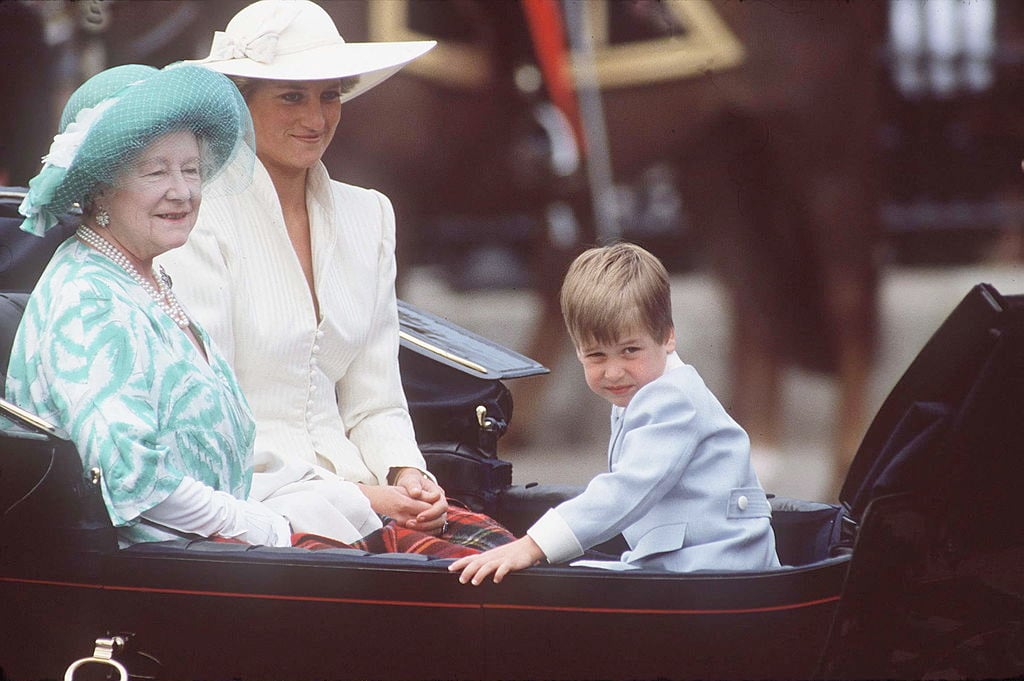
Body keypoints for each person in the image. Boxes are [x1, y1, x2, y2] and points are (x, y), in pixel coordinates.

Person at [159, 0, 512, 548]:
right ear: (238, 103)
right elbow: (213, 419)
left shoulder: (368, 215)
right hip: (255, 502)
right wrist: (369, 498)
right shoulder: (196, 217)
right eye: (292, 97)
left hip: (365, 494)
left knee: (502, 563)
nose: (316, 119)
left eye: (330, 95)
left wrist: (407, 476)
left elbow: (376, 400)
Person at [6, 63, 290, 548]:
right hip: (153, 575)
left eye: (191, 169)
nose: (181, 191)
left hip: (216, 551)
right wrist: (267, 531)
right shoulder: (88, 298)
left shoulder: (146, 275)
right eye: (156, 171)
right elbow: (137, 484)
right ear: (99, 188)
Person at [451, 243, 781, 583]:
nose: (613, 372)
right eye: (596, 356)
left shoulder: (673, 399)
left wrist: (533, 546)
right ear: (577, 350)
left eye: (630, 350)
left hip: (723, 568)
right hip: (690, 562)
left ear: (668, 337)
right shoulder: (646, 390)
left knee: (559, 586)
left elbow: (626, 490)